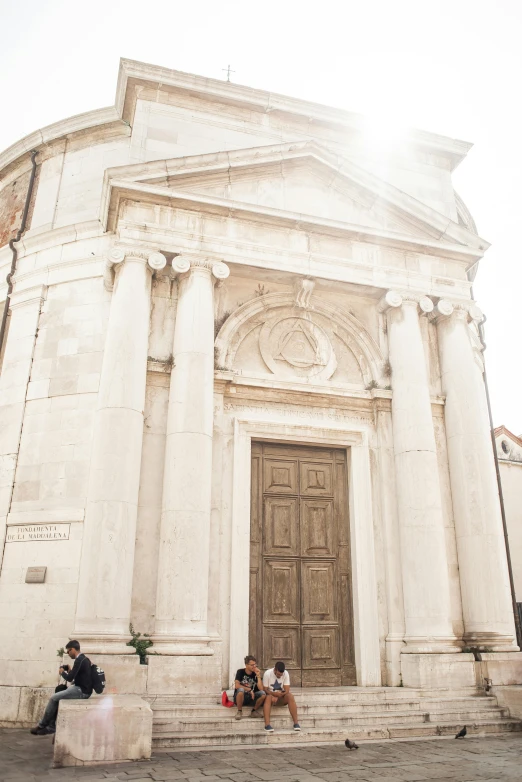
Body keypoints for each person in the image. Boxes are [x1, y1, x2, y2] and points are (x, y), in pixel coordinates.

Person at [30, 640, 92, 735]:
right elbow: (78, 676)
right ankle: (51, 726)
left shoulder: (79, 660)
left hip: (81, 691)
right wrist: (70, 670)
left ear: (72, 649)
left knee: (54, 698)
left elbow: (70, 678)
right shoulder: (84, 659)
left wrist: (62, 672)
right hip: (82, 689)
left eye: (68, 651)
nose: (68, 653)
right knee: (58, 693)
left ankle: (42, 725)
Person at [262, 660, 300, 733]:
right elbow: (265, 689)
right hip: (270, 696)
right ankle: (267, 725)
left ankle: (296, 723)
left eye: (281, 675)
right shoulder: (267, 674)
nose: (280, 676)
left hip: (280, 696)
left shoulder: (286, 673)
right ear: (275, 670)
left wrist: (279, 695)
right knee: (268, 697)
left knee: (290, 696)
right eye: (278, 674)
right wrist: (273, 694)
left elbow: (287, 690)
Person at [233, 655, 266, 720]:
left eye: (255, 665)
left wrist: (258, 676)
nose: (254, 667)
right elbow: (237, 685)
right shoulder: (240, 672)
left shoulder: (255, 674)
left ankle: (254, 711)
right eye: (252, 665)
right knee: (240, 690)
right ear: (246, 665)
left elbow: (261, 688)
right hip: (241, 697)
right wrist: (249, 690)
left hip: (252, 697)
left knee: (263, 694)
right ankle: (239, 711)